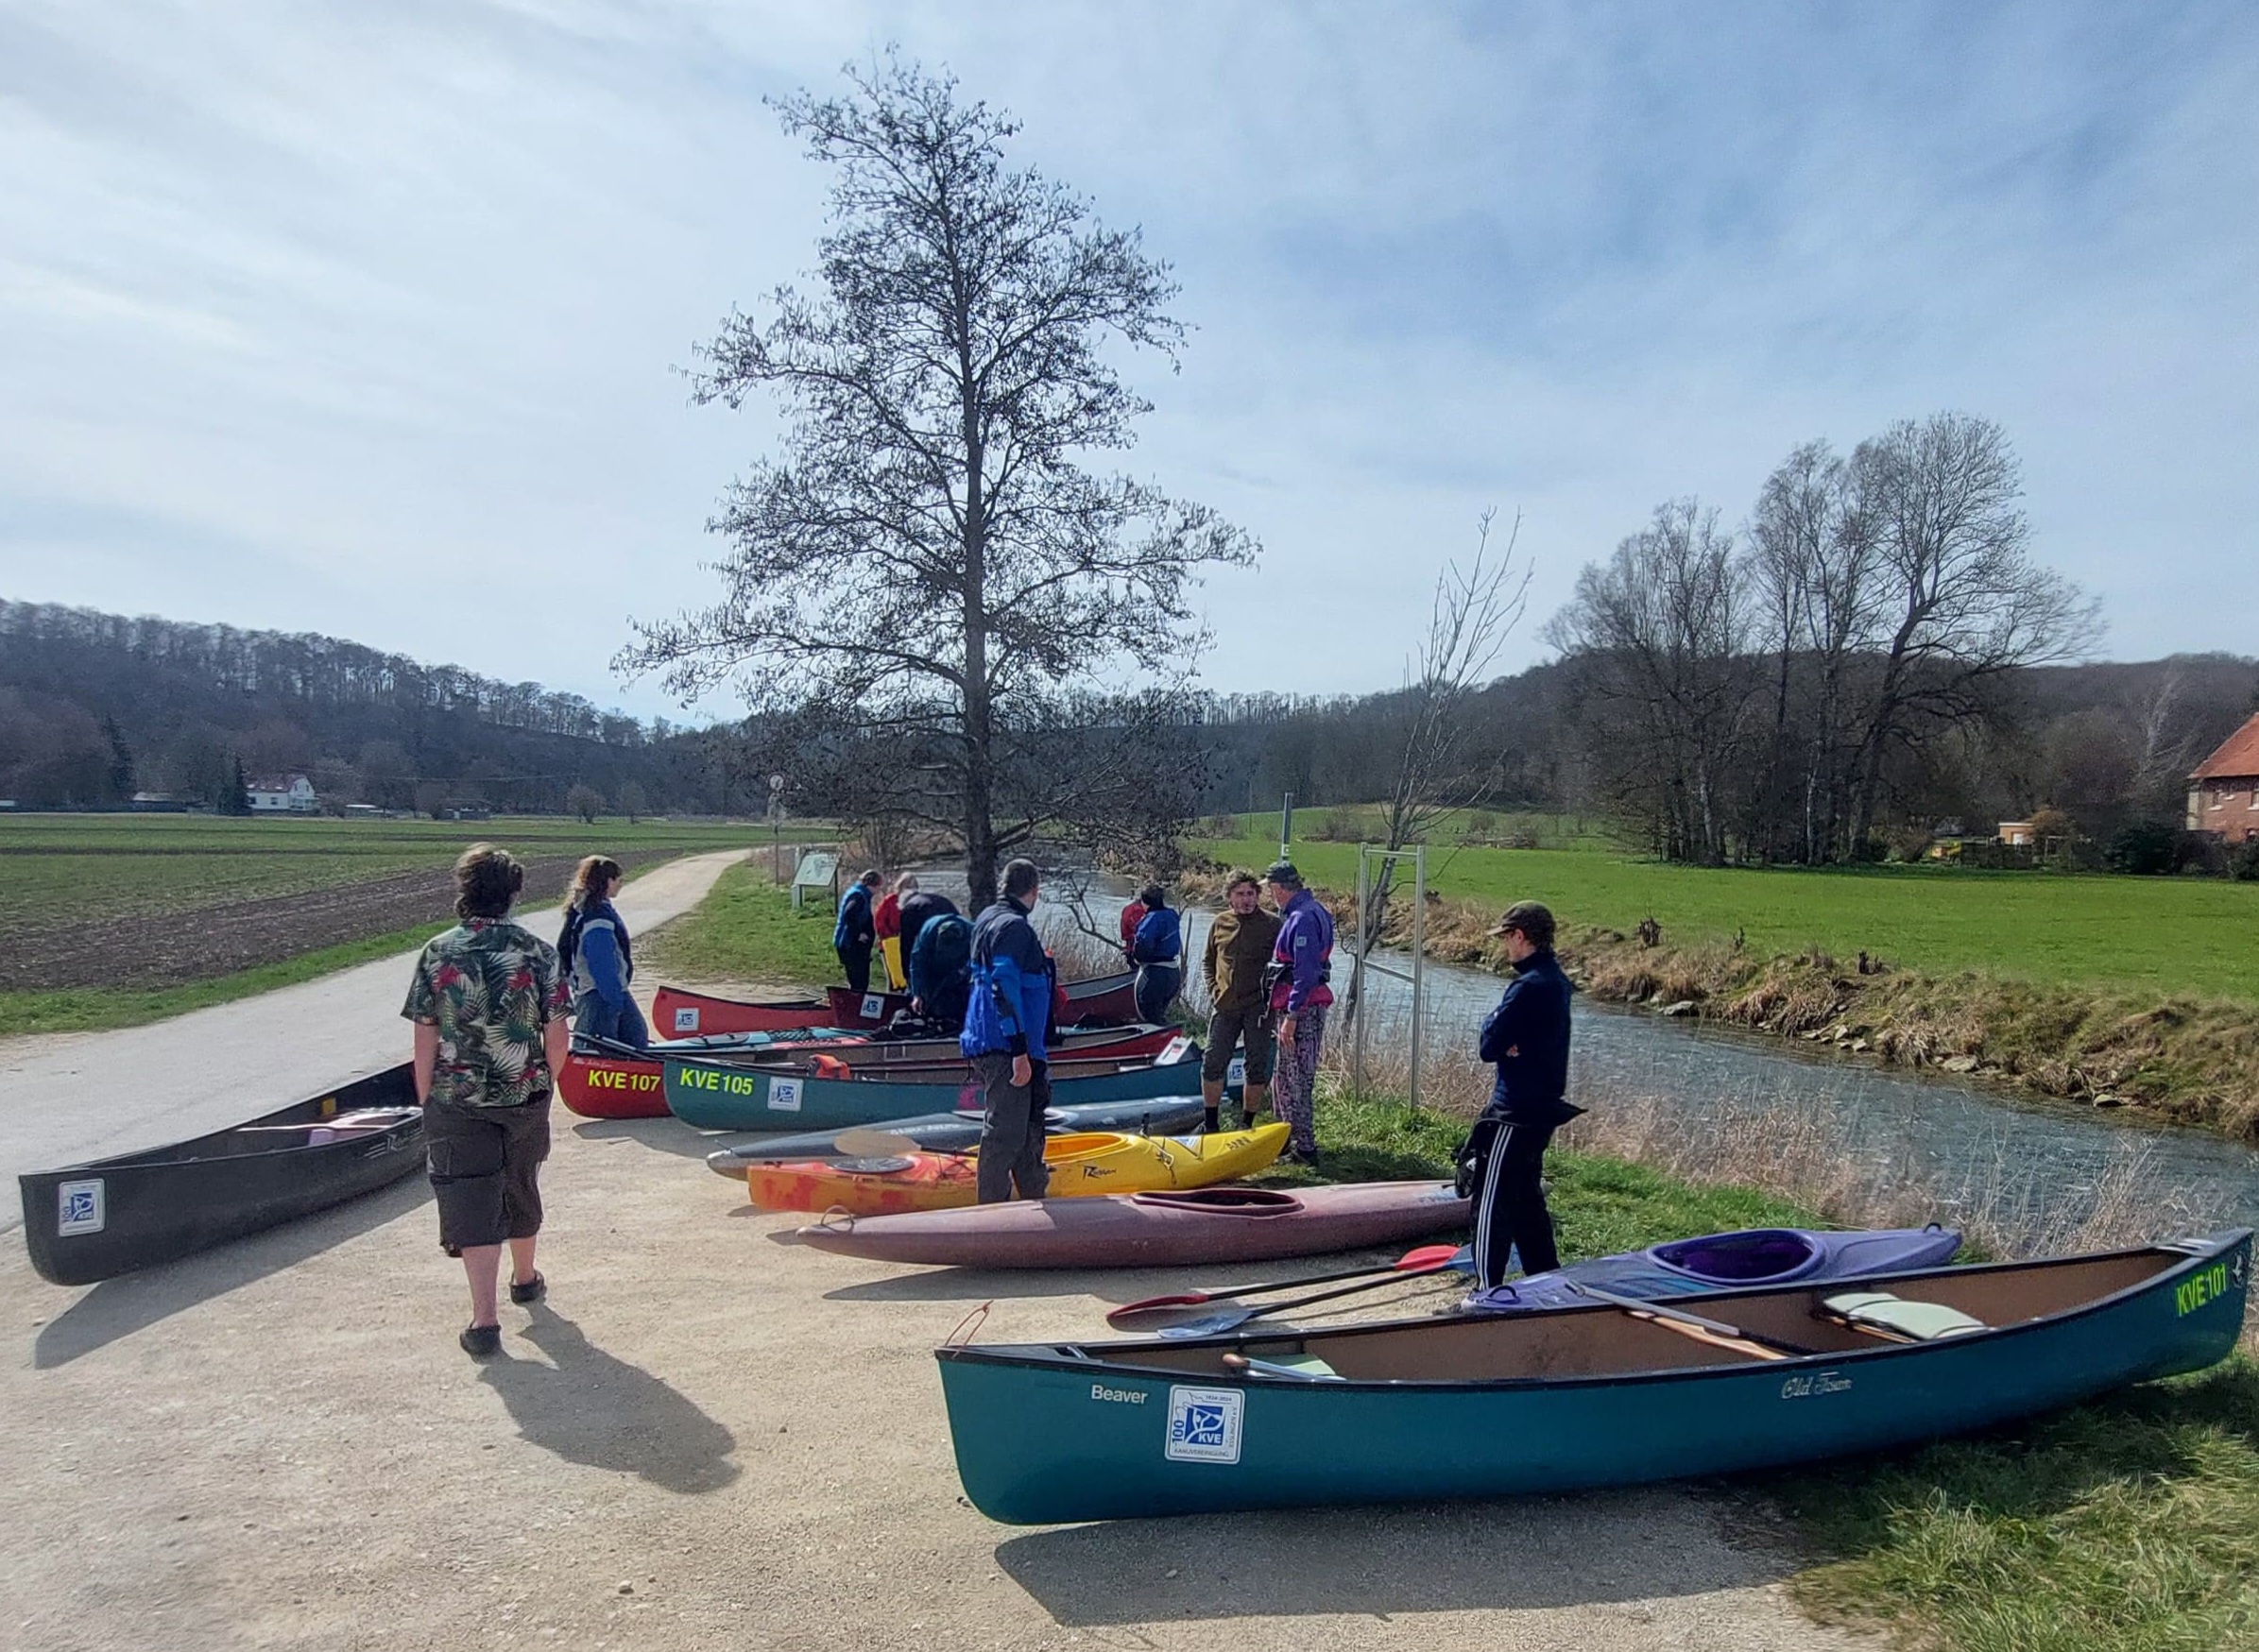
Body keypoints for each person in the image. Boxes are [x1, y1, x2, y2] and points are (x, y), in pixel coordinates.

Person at [402, 843, 572, 1358]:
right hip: (524, 1093)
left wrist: (427, 1097)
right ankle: (525, 1278)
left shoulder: (438, 953)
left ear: (465, 891)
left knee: (473, 1200)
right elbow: (558, 1036)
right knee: (520, 1182)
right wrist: (545, 1083)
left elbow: (425, 1037)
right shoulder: (539, 953)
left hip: (457, 1099)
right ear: (514, 892)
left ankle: (484, 1320)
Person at [1466, 901, 1580, 1290]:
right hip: (1542, 1110)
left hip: (1513, 1112)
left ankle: (1483, 1291)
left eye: (1506, 939)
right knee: (1525, 1202)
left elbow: (1488, 1043)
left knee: (1490, 1201)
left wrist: (1500, 1032)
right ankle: (1547, 1282)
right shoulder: (1556, 980)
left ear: (1520, 936)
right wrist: (1507, 1040)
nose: (1504, 948)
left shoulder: (1528, 986)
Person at [960, 858, 1054, 1202]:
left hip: (996, 1037)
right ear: (1034, 891)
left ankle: (1033, 1197)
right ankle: (991, 1214)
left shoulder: (986, 917)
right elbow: (1002, 984)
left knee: (1028, 1126)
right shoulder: (1014, 927)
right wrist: (1018, 1051)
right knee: (1005, 1132)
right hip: (1005, 1044)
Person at [1264, 860, 1334, 1167]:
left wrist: (1291, 1017)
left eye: (1270, 889)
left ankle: (1303, 1147)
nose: (1270, 895)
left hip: (1302, 1008)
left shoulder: (1303, 918)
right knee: (1284, 1076)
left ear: (1278, 888)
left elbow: (1305, 972)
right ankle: (1284, 1141)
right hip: (1303, 1004)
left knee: (1295, 1078)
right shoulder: (1312, 909)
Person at [1199, 867, 1279, 1133]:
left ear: (1258, 896)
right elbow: (1208, 961)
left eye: (1251, 894)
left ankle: (1247, 1124)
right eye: (1240, 894)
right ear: (1230, 897)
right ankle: (1211, 1124)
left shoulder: (1272, 925)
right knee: (1212, 1062)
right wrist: (1213, 989)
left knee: (1255, 1065)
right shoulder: (1220, 922)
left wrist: (1273, 998)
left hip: (1258, 1008)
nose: (1246, 900)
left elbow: (1284, 966)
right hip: (1225, 1006)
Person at [557, 855, 646, 1050]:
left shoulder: (588, 909)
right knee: (599, 1052)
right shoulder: (597, 918)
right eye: (617, 879)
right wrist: (615, 999)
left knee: (636, 1039)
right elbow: (601, 963)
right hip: (599, 995)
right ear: (607, 881)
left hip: (605, 992)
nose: (620, 884)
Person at [908, 905, 975, 1031]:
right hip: (932, 969)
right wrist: (917, 993)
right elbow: (917, 963)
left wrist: (965, 971)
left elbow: (978, 960)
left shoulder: (973, 933)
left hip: (959, 971)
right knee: (932, 1003)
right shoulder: (928, 931)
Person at [1127, 881, 1184, 1026]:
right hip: (1173, 973)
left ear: (1144, 902)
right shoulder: (1172, 915)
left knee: (1148, 1018)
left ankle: (1155, 1044)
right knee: (1159, 1016)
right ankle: (1166, 1037)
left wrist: (1133, 958)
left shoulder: (1151, 919)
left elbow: (1144, 946)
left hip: (1155, 975)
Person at [833, 868, 881, 994]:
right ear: (871, 884)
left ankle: (856, 1001)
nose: (878, 891)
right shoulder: (859, 896)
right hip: (850, 943)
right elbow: (849, 913)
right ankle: (855, 1005)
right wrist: (858, 934)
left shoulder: (859, 893)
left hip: (850, 943)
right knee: (859, 980)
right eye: (878, 887)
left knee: (858, 979)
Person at [896, 882, 957, 971]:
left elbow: (906, 942)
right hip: (954, 934)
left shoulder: (909, 909)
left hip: (931, 941)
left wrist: (906, 970)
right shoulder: (940, 899)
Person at [874, 873, 916, 990]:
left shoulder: (914, 901)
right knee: (892, 977)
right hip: (890, 944)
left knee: (908, 977)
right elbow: (879, 921)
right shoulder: (890, 901)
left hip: (907, 945)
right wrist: (889, 935)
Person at [1118, 892, 1148, 962]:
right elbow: (1139, 931)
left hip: (1130, 944)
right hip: (1135, 947)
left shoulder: (1128, 908)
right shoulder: (1137, 911)